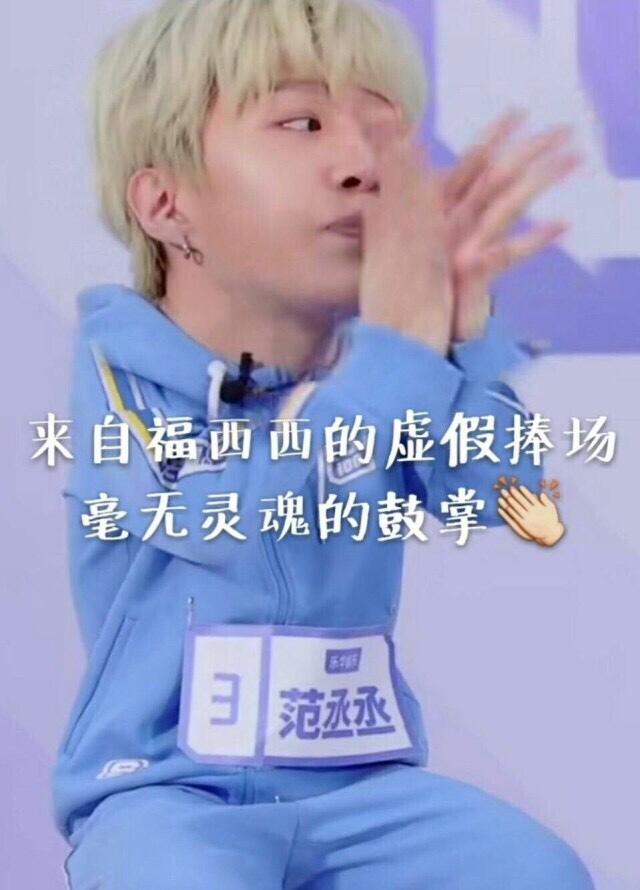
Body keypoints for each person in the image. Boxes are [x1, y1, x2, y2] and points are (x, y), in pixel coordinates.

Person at [53, 1, 594, 887]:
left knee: (536, 871)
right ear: (165, 202)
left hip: (366, 794)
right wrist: (395, 356)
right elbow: (231, 523)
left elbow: (503, 495)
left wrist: (463, 341)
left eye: (382, 132)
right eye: (302, 123)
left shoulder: (379, 367)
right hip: (164, 801)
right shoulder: (122, 366)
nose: (361, 167)